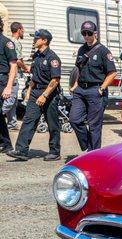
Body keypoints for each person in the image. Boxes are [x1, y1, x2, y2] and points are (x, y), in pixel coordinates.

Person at [7, 30, 61, 161]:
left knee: (52, 123)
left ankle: (54, 152)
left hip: (49, 93)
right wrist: (29, 93)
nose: (34, 41)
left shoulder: (52, 58)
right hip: (35, 92)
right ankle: (21, 150)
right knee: (28, 121)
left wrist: (44, 95)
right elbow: (34, 78)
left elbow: (55, 80)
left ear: (44, 41)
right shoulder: (36, 56)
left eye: (36, 38)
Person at [69, 21, 117, 151]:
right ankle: (87, 146)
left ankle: (93, 154)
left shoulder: (103, 51)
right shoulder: (82, 49)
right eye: (83, 33)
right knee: (74, 119)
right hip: (80, 90)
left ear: (95, 33)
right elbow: (79, 68)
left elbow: (112, 73)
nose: (86, 36)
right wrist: (75, 85)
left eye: (88, 33)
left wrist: (101, 88)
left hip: (95, 90)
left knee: (94, 125)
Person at [4, 22, 28, 130]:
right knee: (10, 100)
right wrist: (26, 68)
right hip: (13, 76)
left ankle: (12, 123)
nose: (23, 32)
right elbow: (17, 60)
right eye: (23, 30)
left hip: (6, 75)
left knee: (13, 102)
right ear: (19, 30)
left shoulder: (7, 41)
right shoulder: (16, 43)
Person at [0, 17, 17, 154]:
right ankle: (5, 143)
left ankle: (5, 143)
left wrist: (9, 87)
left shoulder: (7, 43)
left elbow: (13, 66)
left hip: (2, 81)